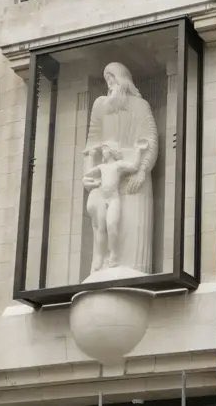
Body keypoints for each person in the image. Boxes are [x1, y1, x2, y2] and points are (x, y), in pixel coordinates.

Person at [83, 62, 158, 274]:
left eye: (112, 78)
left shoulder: (140, 106)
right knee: (101, 226)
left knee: (129, 229)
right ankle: (101, 267)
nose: (110, 84)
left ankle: (131, 270)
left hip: (134, 176)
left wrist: (143, 169)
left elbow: (150, 139)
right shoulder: (100, 105)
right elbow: (91, 144)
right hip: (104, 173)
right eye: (107, 80)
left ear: (123, 79)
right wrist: (86, 175)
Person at [83, 140, 149, 271]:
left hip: (113, 199)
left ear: (112, 151)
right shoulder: (102, 167)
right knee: (101, 228)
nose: (104, 152)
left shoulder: (118, 165)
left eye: (105, 150)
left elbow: (134, 166)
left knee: (111, 225)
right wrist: (91, 155)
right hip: (102, 198)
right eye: (103, 150)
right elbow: (88, 173)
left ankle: (114, 253)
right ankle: (100, 257)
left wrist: (138, 150)